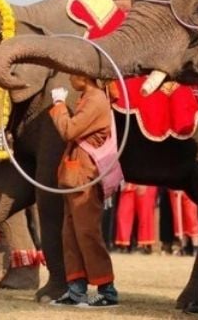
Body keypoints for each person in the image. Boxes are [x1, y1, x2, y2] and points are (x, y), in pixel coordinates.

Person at [50, 75, 119, 307]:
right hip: (75, 176)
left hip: (85, 176)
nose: (70, 78)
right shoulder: (86, 98)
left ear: (84, 75)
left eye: (72, 73)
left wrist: (59, 105)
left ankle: (107, 290)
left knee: (87, 233)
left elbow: (69, 130)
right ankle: (76, 290)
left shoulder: (96, 99)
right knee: (71, 235)